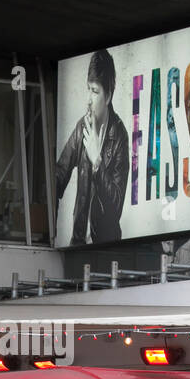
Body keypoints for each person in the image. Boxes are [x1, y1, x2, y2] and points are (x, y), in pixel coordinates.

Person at [54, 49, 129, 245]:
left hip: (106, 248)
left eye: (95, 91)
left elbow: (116, 206)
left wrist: (97, 162)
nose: (88, 98)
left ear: (109, 95)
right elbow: (57, 176)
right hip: (77, 244)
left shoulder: (119, 136)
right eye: (88, 89)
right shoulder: (83, 127)